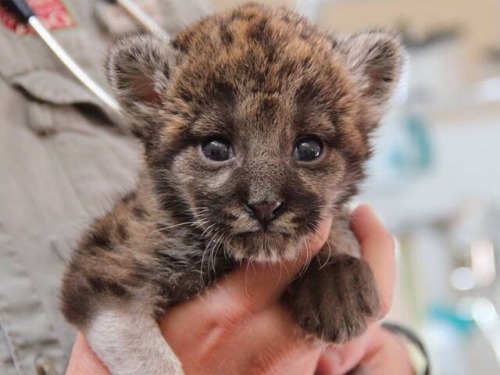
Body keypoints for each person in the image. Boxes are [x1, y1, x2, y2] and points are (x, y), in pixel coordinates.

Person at [0, 1, 427, 374]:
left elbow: (360, 344)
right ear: (149, 98)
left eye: (308, 148)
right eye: (217, 148)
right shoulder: (152, 234)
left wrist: (398, 353)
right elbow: (94, 286)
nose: (264, 198)